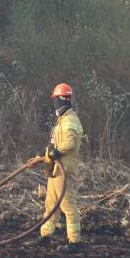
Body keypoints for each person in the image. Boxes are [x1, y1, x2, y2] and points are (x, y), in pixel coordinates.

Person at [27, 82, 85, 248]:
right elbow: (54, 144)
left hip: (64, 170)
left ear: (61, 100)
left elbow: (69, 143)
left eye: (56, 100)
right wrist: (44, 158)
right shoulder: (62, 120)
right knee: (51, 204)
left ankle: (75, 242)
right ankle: (46, 236)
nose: (55, 103)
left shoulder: (70, 120)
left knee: (67, 204)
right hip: (56, 170)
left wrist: (55, 154)